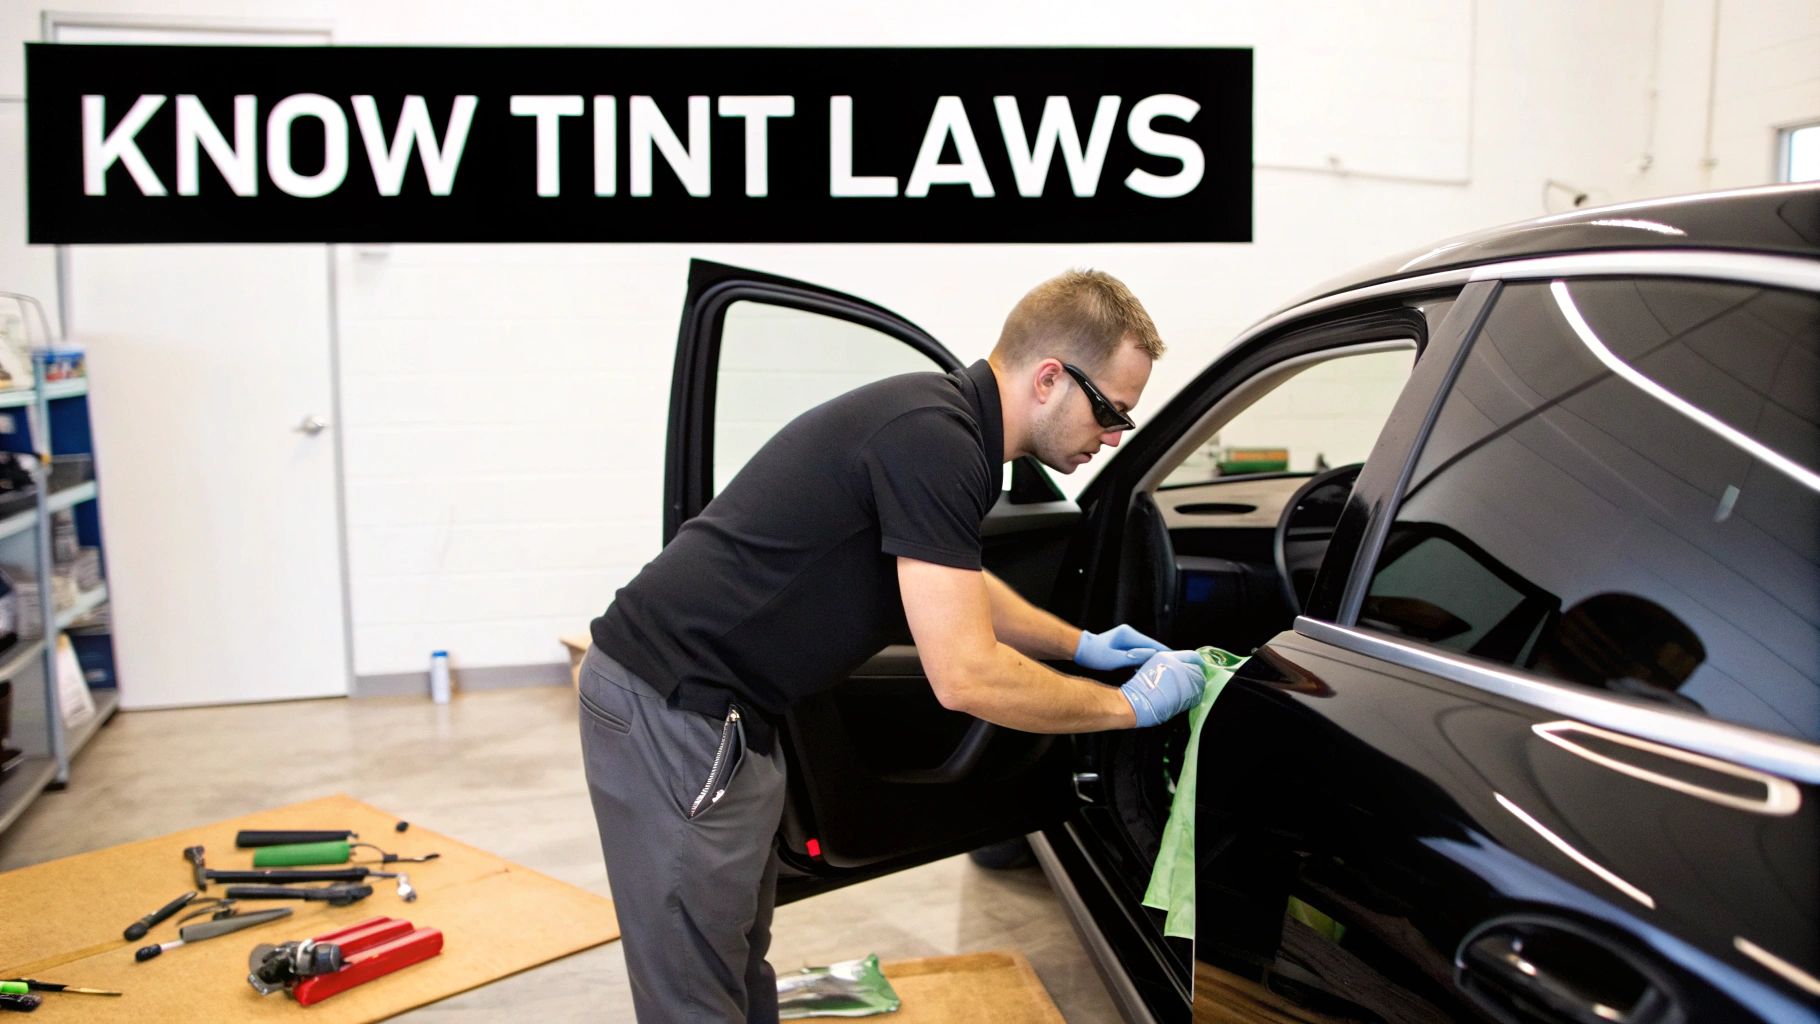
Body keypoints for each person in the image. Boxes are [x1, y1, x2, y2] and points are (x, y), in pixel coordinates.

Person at [579, 269, 1207, 1023]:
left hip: (724, 717)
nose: (1112, 437)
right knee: (693, 996)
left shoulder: (947, 430)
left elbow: (958, 580)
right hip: (672, 710)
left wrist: (1082, 643)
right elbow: (967, 676)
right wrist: (1125, 708)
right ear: (1050, 379)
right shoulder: (934, 440)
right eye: (1111, 412)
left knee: (735, 963)